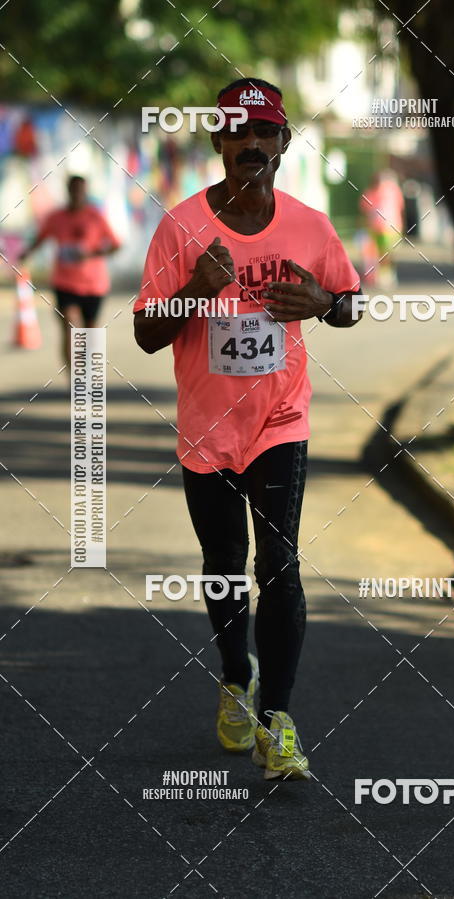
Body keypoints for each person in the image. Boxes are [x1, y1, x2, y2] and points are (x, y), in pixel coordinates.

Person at [133, 78, 362, 781]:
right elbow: (145, 333)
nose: (251, 144)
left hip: (279, 420)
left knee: (280, 564)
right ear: (219, 145)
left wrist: (324, 302)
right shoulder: (180, 228)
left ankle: (278, 722)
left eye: (264, 133)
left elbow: (351, 303)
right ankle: (237, 674)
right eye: (238, 132)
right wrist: (196, 290)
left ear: (283, 145)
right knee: (226, 564)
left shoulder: (310, 225)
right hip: (207, 428)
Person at [19, 175, 121, 366]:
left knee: (90, 332)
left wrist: (91, 254)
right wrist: (24, 254)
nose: (77, 195)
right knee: (71, 327)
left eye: (81, 191)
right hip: (65, 283)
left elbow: (115, 245)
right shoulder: (56, 218)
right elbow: (40, 239)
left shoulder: (95, 217)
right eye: (73, 190)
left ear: (85, 192)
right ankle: (75, 377)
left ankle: (89, 372)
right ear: (68, 191)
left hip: (94, 284)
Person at [359, 170, 404, 285]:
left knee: (387, 252)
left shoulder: (392, 190)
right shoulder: (369, 193)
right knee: (376, 253)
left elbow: (400, 207)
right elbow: (364, 211)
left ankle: (387, 274)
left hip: (391, 227)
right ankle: (380, 275)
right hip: (375, 228)